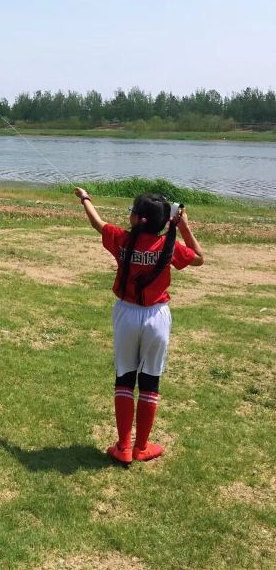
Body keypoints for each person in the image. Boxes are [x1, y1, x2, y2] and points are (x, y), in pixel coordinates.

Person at [74, 187, 204, 465]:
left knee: (124, 377)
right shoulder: (168, 245)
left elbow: (97, 223)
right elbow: (198, 258)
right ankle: (142, 447)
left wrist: (85, 199)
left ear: (136, 219)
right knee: (150, 380)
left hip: (126, 314)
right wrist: (183, 227)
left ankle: (123, 447)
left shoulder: (121, 239)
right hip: (157, 316)